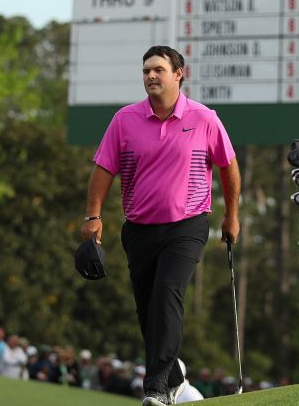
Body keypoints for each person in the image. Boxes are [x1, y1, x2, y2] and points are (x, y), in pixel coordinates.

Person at [84, 45, 241, 406]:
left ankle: (156, 389)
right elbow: (104, 169)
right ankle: (174, 379)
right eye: (145, 71)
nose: (151, 76)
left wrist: (231, 215)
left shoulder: (204, 118)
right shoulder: (125, 119)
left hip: (187, 225)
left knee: (168, 293)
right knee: (147, 310)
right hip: (138, 228)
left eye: (158, 70)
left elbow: (228, 167)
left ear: (178, 74)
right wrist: (93, 216)